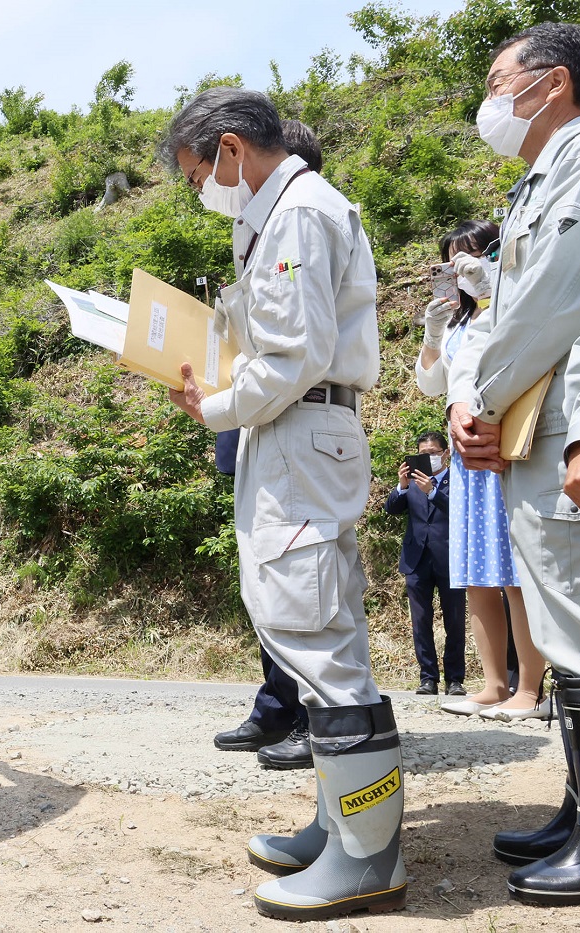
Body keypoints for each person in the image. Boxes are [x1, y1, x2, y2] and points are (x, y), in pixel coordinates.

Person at [164, 88, 403, 920]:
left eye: (198, 176)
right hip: (292, 432)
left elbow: (294, 353)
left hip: (300, 429)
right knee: (305, 623)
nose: (200, 192)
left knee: (314, 627)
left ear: (232, 149)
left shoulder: (298, 212)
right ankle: (342, 823)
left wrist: (217, 405)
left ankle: (368, 856)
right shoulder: (273, 214)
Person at [446, 22, 580, 905]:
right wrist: (474, 399)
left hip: (567, 422)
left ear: (555, 84)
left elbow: (549, 307)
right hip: (538, 426)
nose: (491, 100)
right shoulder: (542, 176)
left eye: (501, 81)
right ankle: (579, 807)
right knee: (564, 626)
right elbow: (506, 309)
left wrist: (484, 398)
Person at [211, 119, 326, 772]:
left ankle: (313, 716)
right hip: (255, 426)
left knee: (302, 579)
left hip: (296, 430)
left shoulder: (308, 227)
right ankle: (278, 702)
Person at [416, 219, 548, 721]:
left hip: (502, 446)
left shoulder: (512, 305)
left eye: (469, 259)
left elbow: (525, 340)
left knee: (514, 573)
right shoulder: (457, 323)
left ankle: (530, 690)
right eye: (451, 262)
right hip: (465, 454)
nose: (459, 271)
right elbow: (432, 383)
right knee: (477, 572)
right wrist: (432, 335)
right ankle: (493, 684)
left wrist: (495, 289)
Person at [384, 431, 466, 695]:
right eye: (422, 454)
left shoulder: (458, 479)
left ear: (445, 453)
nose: (427, 458)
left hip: (450, 558)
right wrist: (402, 485)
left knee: (454, 620)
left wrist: (432, 492)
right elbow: (392, 509)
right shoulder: (412, 483)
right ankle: (427, 678)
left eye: (432, 453)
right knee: (421, 621)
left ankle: (454, 680)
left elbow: (459, 511)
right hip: (416, 559)